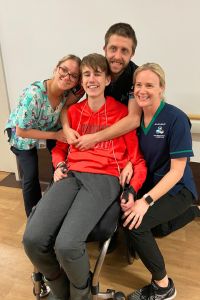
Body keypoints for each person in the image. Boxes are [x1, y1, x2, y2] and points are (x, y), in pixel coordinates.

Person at [23, 53, 147, 300]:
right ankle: (60, 288)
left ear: (107, 80)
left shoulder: (122, 114)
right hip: (71, 175)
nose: (92, 79)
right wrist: (58, 165)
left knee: (67, 245)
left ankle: (81, 292)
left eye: (97, 74)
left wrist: (132, 189)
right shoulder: (73, 113)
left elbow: (138, 161)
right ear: (82, 81)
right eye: (87, 74)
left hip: (104, 178)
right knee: (32, 239)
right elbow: (60, 147)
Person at [5, 54, 84, 297]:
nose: (67, 77)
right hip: (24, 137)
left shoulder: (67, 93)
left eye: (73, 75)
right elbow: (22, 130)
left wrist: (65, 130)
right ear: (55, 67)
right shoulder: (34, 94)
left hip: (49, 132)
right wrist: (57, 136)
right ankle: (35, 222)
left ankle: (53, 208)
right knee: (30, 179)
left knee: (60, 166)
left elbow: (68, 108)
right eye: (64, 70)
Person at [120, 63, 198, 300]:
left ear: (162, 89)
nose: (142, 90)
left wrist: (145, 201)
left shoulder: (176, 119)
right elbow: (138, 153)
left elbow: (176, 172)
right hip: (152, 184)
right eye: (139, 85)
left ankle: (163, 286)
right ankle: (185, 216)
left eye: (150, 85)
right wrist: (129, 163)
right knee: (158, 228)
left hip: (178, 189)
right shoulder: (135, 118)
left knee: (137, 223)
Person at [62, 23, 141, 151]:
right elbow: (65, 106)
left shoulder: (136, 76)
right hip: (95, 137)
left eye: (124, 50)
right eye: (113, 49)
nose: (117, 56)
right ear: (104, 48)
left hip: (123, 139)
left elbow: (134, 120)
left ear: (132, 54)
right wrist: (66, 129)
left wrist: (94, 138)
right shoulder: (91, 71)